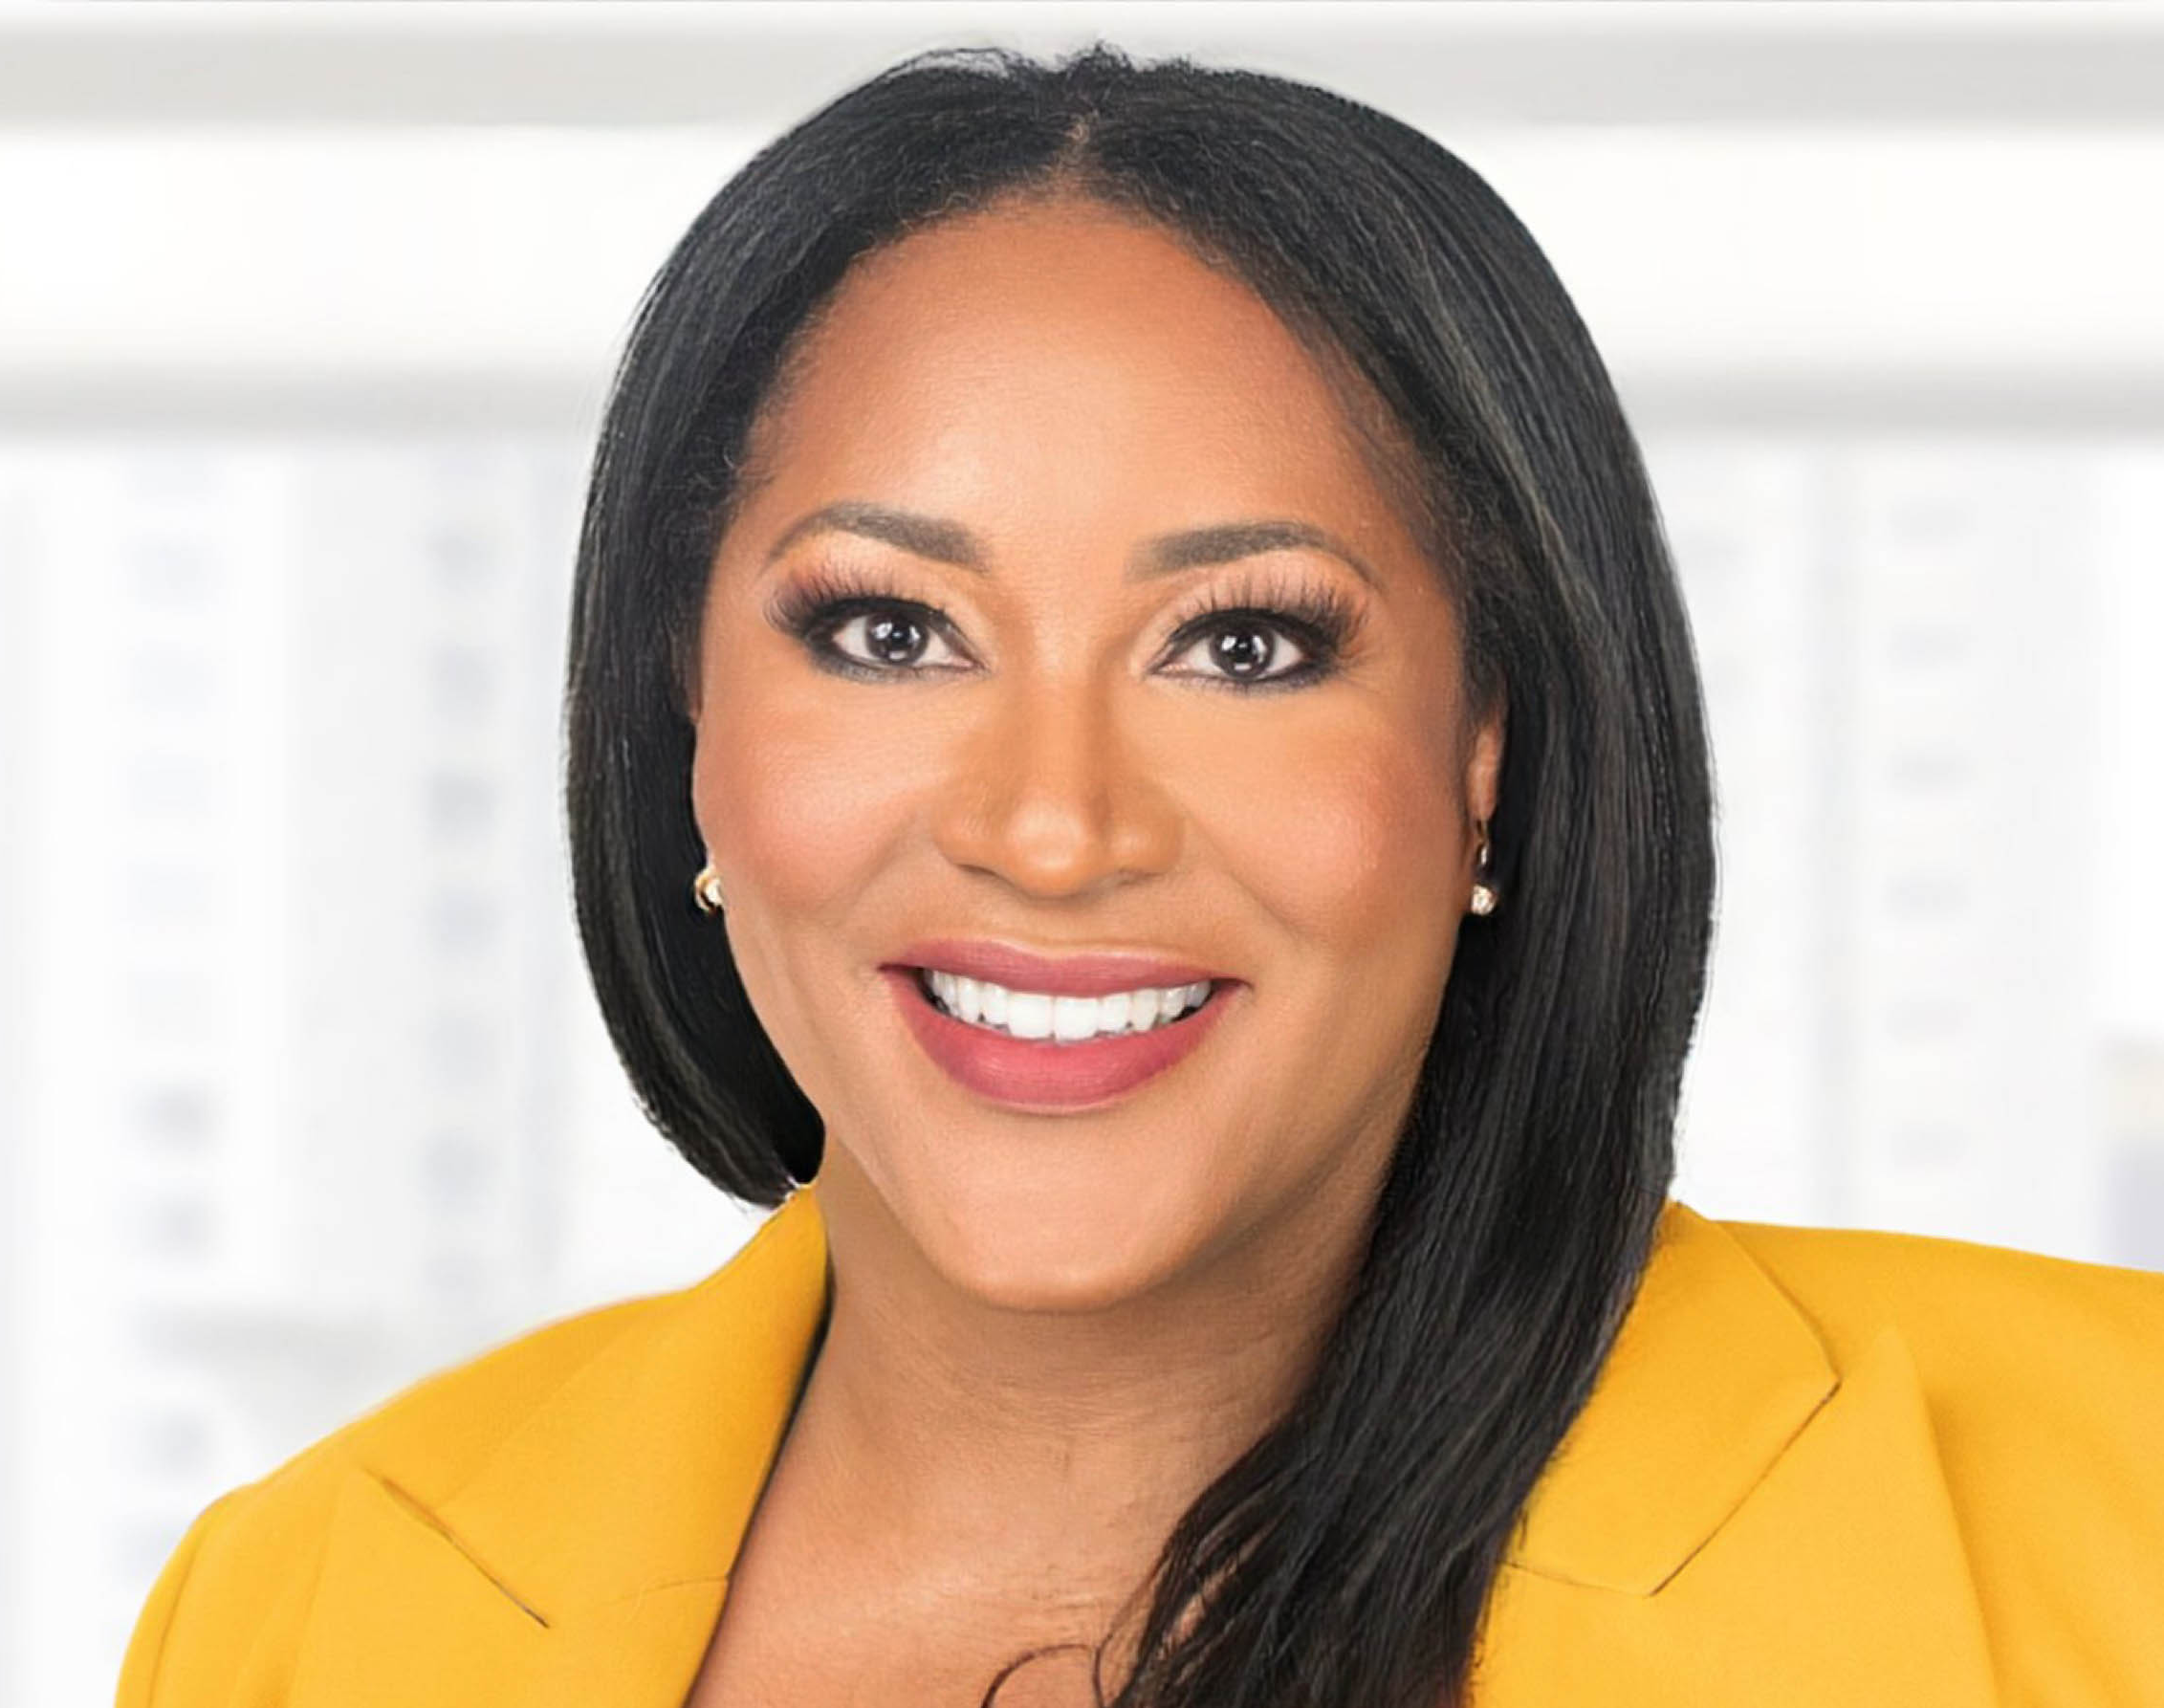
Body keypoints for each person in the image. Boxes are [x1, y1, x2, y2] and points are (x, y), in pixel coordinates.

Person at [117, 42, 2164, 1708]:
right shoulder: (302, 1608)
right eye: (890, 629)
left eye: (1247, 643)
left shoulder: (2111, 1501)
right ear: (683, 722)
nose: (1052, 822)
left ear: (1489, 750)